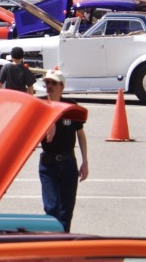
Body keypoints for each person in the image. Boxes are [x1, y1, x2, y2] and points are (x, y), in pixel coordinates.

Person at [39, 67, 89, 232]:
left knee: (66, 210)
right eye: (47, 82)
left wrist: (85, 162)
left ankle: (62, 244)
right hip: (48, 163)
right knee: (51, 208)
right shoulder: (41, 106)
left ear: (62, 86)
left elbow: (80, 134)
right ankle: (51, 245)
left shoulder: (71, 107)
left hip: (68, 162)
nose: (49, 86)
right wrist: (46, 127)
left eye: (53, 83)